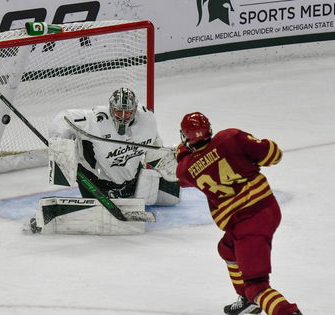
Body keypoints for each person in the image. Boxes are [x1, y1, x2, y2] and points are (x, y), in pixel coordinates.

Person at [175, 112, 302, 315]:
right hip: (263, 209)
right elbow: (273, 154)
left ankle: (284, 310)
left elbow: (183, 173)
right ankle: (246, 299)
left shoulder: (186, 169)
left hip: (248, 224)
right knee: (226, 248)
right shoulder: (231, 138)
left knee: (257, 287)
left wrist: (181, 153)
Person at [48, 87, 180, 206]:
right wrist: (61, 151)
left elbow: (155, 143)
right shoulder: (96, 119)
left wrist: (162, 162)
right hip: (95, 182)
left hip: (131, 180)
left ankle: (127, 191)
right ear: (111, 108)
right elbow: (62, 119)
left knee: (174, 196)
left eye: (127, 112)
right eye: (118, 112)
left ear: (134, 110)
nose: (123, 117)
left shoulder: (147, 118)